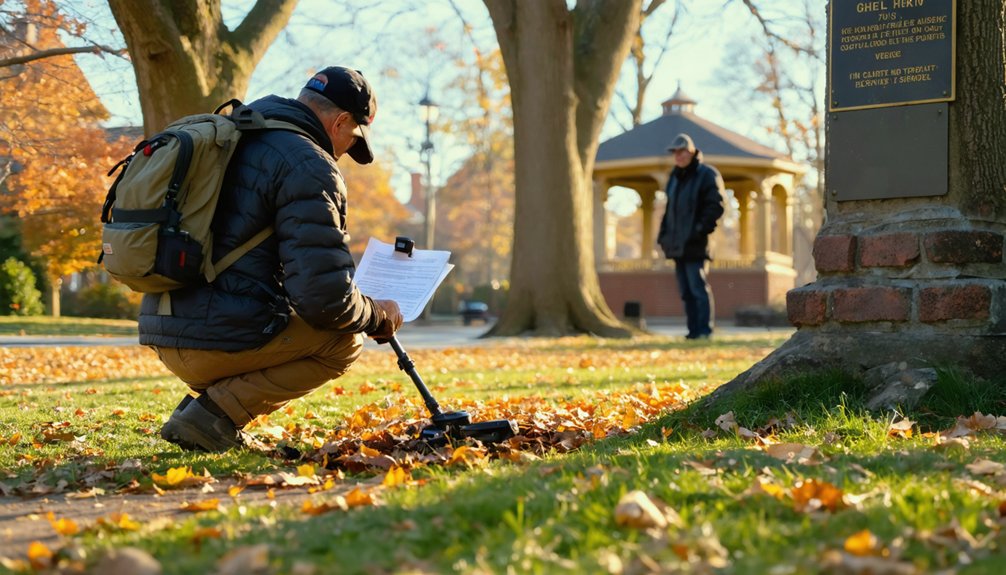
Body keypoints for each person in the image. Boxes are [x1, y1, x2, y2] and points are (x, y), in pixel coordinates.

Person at [149, 66, 404, 453]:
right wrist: (377, 314)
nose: (346, 153)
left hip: (164, 329)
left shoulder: (236, 132)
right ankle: (211, 417)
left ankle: (202, 410)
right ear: (341, 121)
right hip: (209, 342)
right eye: (353, 141)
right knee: (344, 341)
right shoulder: (310, 165)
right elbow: (325, 300)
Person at [656, 133, 725, 340]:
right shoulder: (674, 179)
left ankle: (705, 331)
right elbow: (669, 211)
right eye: (675, 152)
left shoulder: (707, 174)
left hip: (697, 244)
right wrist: (663, 236)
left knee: (698, 288)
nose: (678, 156)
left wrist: (699, 230)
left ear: (692, 151)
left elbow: (716, 206)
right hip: (677, 245)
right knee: (685, 291)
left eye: (682, 151)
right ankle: (693, 331)